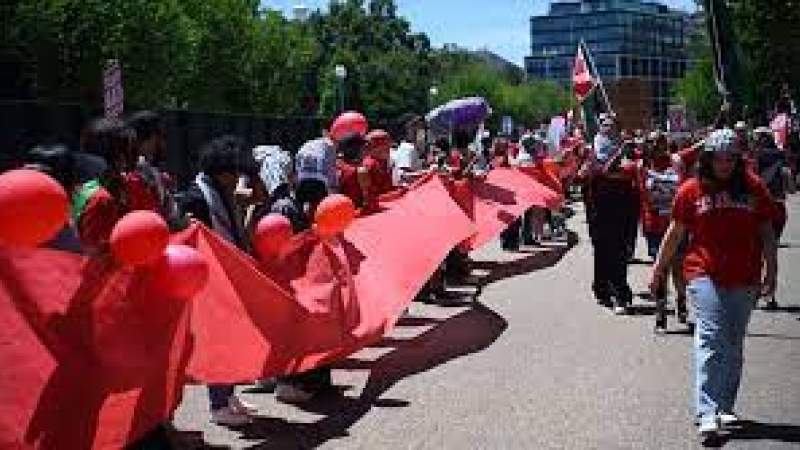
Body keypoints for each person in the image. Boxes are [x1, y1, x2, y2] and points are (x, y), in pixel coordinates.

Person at [649, 128, 778, 442]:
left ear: (738, 159)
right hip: (703, 272)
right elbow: (675, 233)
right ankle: (706, 411)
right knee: (710, 337)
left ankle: (725, 406)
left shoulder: (754, 188)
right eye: (718, 158)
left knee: (733, 342)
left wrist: (772, 270)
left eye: (730, 158)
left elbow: (766, 233)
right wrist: (659, 268)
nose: (724, 164)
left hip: (745, 274)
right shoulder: (691, 191)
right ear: (706, 160)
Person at [178, 135, 259, 426]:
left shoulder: (221, 191)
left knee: (234, 337)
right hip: (211, 280)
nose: (236, 178)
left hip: (229, 273)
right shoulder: (196, 197)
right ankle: (218, 404)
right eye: (233, 172)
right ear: (219, 170)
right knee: (219, 340)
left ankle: (229, 394)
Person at [588, 116, 635, 314]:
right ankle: (603, 289)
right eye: (605, 124)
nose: (609, 128)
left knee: (619, 249)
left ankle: (619, 293)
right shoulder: (595, 146)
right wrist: (618, 155)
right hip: (600, 204)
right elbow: (603, 170)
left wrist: (625, 153)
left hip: (623, 203)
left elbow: (631, 171)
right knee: (602, 248)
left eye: (613, 124)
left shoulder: (626, 146)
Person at [640, 134, 684, 331]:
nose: (656, 145)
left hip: (676, 225)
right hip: (654, 226)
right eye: (652, 142)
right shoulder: (639, 166)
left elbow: (703, 146)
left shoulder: (677, 161)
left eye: (660, 141)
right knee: (660, 271)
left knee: (678, 270)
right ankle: (660, 315)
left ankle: (682, 303)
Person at [752, 127, 790, 310]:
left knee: (758, 250)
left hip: (760, 207)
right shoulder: (781, 156)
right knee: (771, 250)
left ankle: (758, 290)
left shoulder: (755, 157)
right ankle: (769, 293)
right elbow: (790, 186)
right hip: (778, 206)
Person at [125, 111, 183, 228]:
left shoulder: (154, 173)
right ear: (153, 138)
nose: (165, 144)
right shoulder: (139, 175)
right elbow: (155, 220)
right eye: (162, 137)